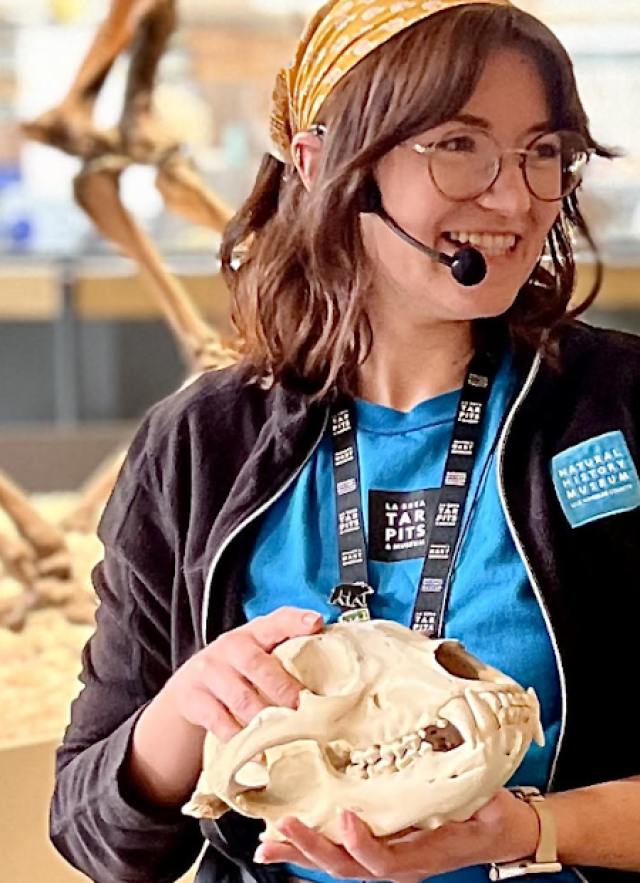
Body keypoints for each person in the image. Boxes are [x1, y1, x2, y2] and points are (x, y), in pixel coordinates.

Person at [50, 2, 640, 883]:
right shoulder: (200, 443)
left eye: (544, 151)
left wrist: (532, 828)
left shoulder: (619, 409)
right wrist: (180, 716)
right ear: (323, 164)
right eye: (458, 144)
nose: (515, 196)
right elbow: (95, 837)